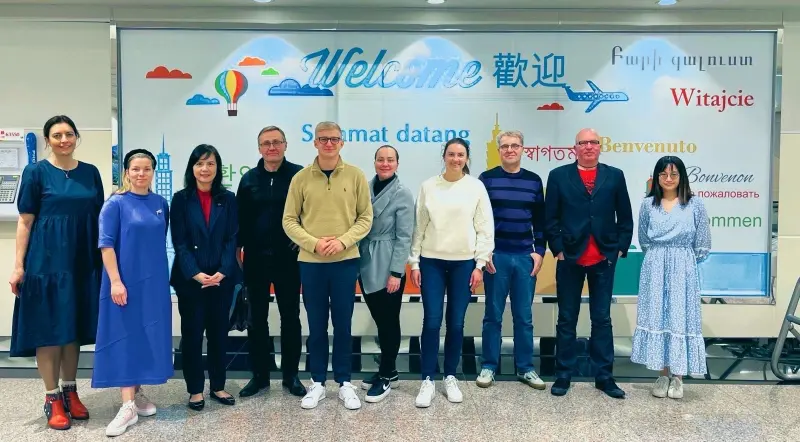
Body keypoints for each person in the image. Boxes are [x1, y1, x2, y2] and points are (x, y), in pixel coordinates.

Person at [8, 115, 104, 430]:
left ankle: (70, 390)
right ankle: (52, 397)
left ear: (77, 137)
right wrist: (18, 265)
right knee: (48, 328)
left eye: (69, 134)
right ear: (48, 140)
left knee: (72, 328)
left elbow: (100, 218)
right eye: (57, 135)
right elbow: (25, 221)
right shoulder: (35, 172)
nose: (64, 140)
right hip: (45, 262)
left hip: (81, 261)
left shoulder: (90, 173)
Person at [282, 121, 373, 410]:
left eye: (334, 139)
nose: (329, 143)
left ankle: (344, 382)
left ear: (342, 142)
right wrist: (313, 243)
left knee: (343, 324)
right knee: (317, 325)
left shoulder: (356, 175)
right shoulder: (300, 178)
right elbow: (289, 220)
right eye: (323, 139)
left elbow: (365, 218)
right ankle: (318, 382)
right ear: (315, 142)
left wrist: (343, 241)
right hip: (312, 263)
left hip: (345, 261)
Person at [544, 128, 633, 399]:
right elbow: (550, 218)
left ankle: (604, 376)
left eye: (593, 142)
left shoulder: (615, 175)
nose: (589, 147)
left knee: (602, 319)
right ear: (575, 148)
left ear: (600, 146)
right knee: (566, 319)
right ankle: (563, 375)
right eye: (583, 143)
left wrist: (619, 248)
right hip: (570, 256)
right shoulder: (558, 176)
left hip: (604, 257)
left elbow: (625, 216)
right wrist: (558, 249)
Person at [93, 149, 173, 437]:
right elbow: (106, 245)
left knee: (146, 334)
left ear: (153, 171)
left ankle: (137, 393)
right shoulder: (115, 203)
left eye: (146, 169)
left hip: (153, 283)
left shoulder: (160, 203)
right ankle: (126, 406)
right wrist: (116, 281)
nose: (141, 174)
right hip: (123, 281)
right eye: (136, 169)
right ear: (126, 172)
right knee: (125, 336)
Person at [409, 137, 494, 408]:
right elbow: (419, 226)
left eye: (461, 155)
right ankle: (427, 379)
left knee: (456, 323)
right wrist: (414, 263)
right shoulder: (428, 186)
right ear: (444, 156)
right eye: (451, 154)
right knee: (432, 321)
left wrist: (480, 265)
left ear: (467, 158)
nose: (456, 159)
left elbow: (484, 228)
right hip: (431, 262)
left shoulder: (476, 187)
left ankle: (449, 376)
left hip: (464, 264)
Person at [631, 156, 711, 399]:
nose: (668, 179)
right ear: (656, 177)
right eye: (663, 174)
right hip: (655, 264)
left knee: (679, 317)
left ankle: (678, 377)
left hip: (683, 266)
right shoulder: (648, 205)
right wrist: (660, 257)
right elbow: (644, 239)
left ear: (681, 177)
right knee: (657, 315)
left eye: (674, 174)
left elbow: (703, 242)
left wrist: (681, 260)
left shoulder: (695, 204)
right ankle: (662, 374)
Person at [236, 126, 306, 398]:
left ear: (285, 145)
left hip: (289, 257)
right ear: (259, 148)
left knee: (290, 317)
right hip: (255, 258)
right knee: (257, 319)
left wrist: (302, 240)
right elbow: (240, 220)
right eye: (266, 143)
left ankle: (291, 376)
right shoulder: (249, 179)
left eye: (277, 142)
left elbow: (310, 212)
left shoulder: (299, 175)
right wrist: (237, 253)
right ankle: (260, 376)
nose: (272, 147)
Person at [170, 144, 238, 410]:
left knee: (219, 334)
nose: (205, 169)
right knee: (192, 335)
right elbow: (180, 241)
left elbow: (232, 239)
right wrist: (196, 273)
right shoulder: (181, 199)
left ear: (217, 168)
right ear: (192, 168)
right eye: (199, 163)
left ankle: (218, 386)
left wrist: (223, 270)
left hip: (221, 279)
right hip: (190, 281)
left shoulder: (228, 198)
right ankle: (195, 390)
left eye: (210, 163)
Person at [476, 130, 546, 390]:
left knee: (524, 317)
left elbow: (540, 220)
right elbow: (479, 220)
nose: (510, 150)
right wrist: (484, 253)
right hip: (497, 257)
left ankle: (525, 368)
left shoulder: (534, 181)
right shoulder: (486, 179)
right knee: (492, 315)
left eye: (514, 145)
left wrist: (539, 251)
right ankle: (489, 366)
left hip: (525, 257)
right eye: (504, 146)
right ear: (498, 150)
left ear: (522, 149)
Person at [357, 145, 415, 403]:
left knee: (389, 320)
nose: (385, 163)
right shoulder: (365, 187)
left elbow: (404, 237)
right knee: (380, 320)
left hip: (388, 260)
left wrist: (396, 273)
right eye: (381, 159)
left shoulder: (403, 193)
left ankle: (386, 374)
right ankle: (389, 371)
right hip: (366, 258)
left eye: (390, 160)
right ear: (374, 162)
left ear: (397, 163)